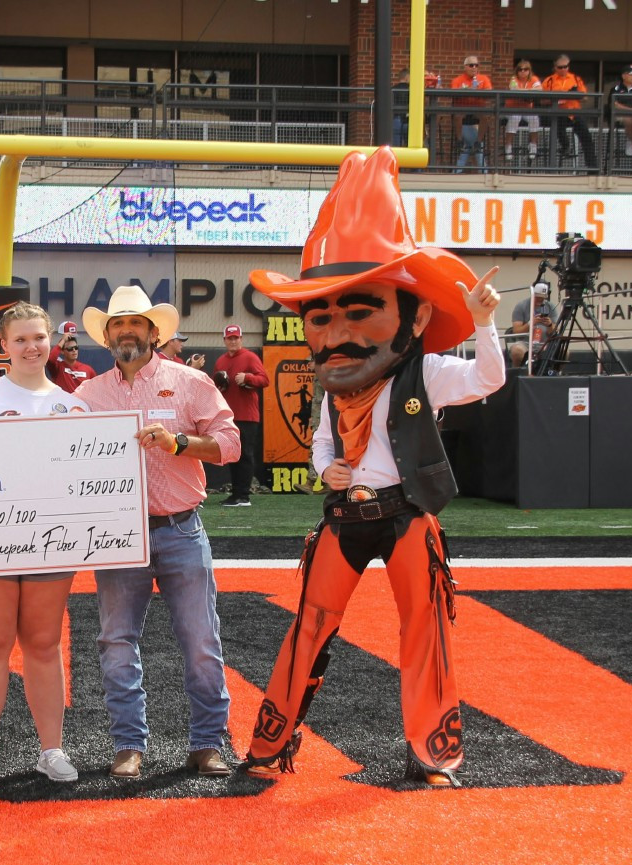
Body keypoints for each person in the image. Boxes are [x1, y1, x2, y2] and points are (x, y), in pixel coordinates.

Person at [244, 148, 507, 786]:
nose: (337, 332)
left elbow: (488, 378)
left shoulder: (429, 371)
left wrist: (485, 323)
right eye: (322, 315)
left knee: (425, 633)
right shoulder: (334, 384)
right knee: (306, 627)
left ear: (414, 316)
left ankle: (432, 753)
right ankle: (268, 747)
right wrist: (326, 470)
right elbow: (322, 444)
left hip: (406, 516)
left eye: (359, 311)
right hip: (345, 517)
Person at [73, 285, 240, 780]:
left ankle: (207, 742)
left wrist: (179, 442)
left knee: (201, 640)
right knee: (116, 641)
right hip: (119, 536)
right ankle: (129, 745)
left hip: (180, 527)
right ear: (107, 336)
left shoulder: (190, 382)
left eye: (135, 323)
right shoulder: (86, 395)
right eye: (118, 324)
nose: (126, 331)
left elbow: (230, 444)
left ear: (153, 331)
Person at [0, 302, 87, 789]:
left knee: (44, 645)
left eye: (38, 338)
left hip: (51, 543)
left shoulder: (74, 405)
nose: (31, 347)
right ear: (1, 345)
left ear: (51, 341)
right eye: (20, 339)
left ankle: (52, 749)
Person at [212, 324, 269, 507]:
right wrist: (220, 386)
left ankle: (244, 496)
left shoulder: (250, 357)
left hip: (247, 415)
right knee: (232, 454)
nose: (233, 341)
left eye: (236, 338)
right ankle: (236, 494)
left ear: (241, 339)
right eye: (230, 338)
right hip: (228, 415)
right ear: (224, 340)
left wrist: (247, 378)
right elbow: (217, 386)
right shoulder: (220, 361)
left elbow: (265, 380)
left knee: (245, 454)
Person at [543, 54, 599, 170]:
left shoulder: (576, 79)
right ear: (555, 67)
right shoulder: (549, 80)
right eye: (560, 67)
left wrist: (574, 95)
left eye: (566, 66)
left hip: (574, 112)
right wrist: (557, 98)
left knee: (586, 136)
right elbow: (542, 100)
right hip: (558, 112)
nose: (563, 69)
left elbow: (585, 98)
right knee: (557, 125)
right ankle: (565, 146)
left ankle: (592, 168)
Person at [450, 55, 493, 172]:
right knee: (458, 115)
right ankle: (460, 141)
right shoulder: (458, 80)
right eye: (471, 65)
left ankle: (478, 142)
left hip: (478, 110)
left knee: (485, 116)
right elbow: (453, 93)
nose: (474, 67)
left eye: (476, 65)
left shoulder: (483, 78)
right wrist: (467, 90)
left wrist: (476, 91)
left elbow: (489, 92)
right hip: (463, 109)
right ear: (465, 67)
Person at [503, 60, 542, 163]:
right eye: (520, 69)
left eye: (526, 69)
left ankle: (533, 145)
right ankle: (508, 146)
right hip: (511, 109)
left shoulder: (533, 79)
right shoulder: (514, 78)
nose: (523, 71)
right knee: (516, 117)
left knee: (535, 118)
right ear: (517, 71)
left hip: (526, 109)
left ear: (529, 71)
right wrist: (529, 92)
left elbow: (539, 89)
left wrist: (524, 92)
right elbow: (513, 88)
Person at [46, 320, 96, 393]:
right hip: (63, 403)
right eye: (70, 349)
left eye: (76, 348)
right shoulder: (58, 368)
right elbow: (50, 359)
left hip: (81, 403)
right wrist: (63, 340)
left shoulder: (88, 369)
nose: (74, 350)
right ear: (62, 351)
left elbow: (95, 390)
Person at [511, 282, 555, 360]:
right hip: (525, 343)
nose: (540, 300)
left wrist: (549, 325)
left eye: (542, 298)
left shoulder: (550, 306)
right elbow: (516, 331)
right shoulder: (521, 306)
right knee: (517, 350)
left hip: (544, 342)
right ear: (533, 295)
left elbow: (554, 331)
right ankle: (518, 370)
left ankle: (556, 371)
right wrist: (531, 323)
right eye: (538, 297)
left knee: (562, 351)